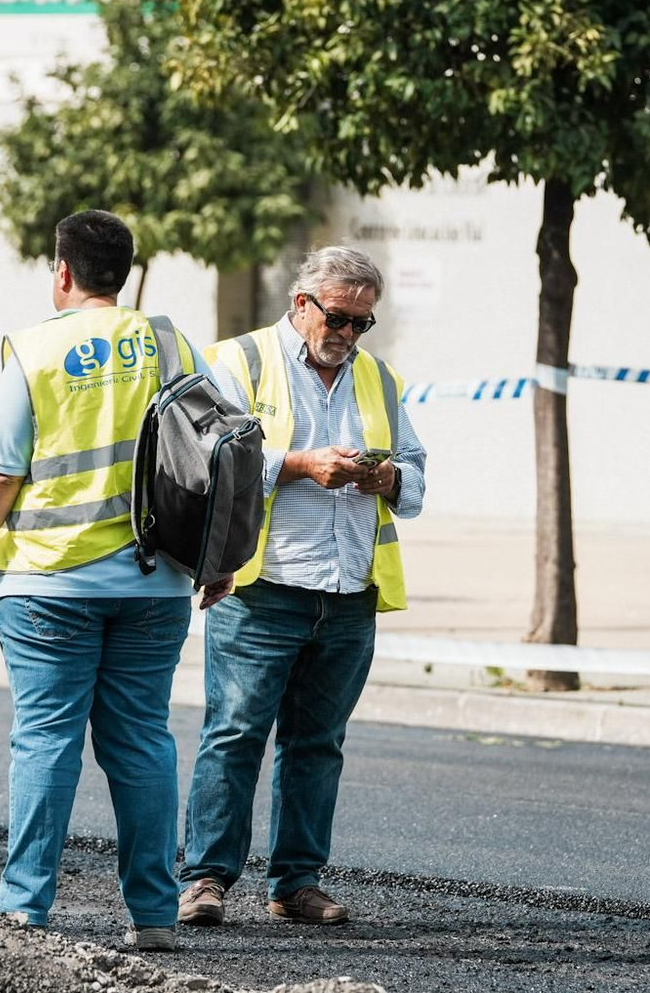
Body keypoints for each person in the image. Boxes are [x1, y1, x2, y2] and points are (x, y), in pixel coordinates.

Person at [0, 210, 231, 953]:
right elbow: (219, 454)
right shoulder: (170, 343)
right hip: (153, 586)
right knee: (142, 745)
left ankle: (26, 907)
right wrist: (218, 557)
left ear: (63, 271)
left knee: (46, 741)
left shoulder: (34, 349)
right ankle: (154, 914)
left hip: (48, 586)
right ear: (125, 274)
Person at [176, 245, 427, 929]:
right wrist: (298, 465)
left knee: (318, 743)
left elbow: (416, 478)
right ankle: (205, 879)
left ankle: (297, 883)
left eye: (361, 322)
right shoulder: (238, 361)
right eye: (337, 318)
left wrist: (389, 477)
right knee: (234, 734)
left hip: (348, 592)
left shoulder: (378, 378)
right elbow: (206, 462)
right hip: (264, 587)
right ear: (301, 304)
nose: (348, 334)